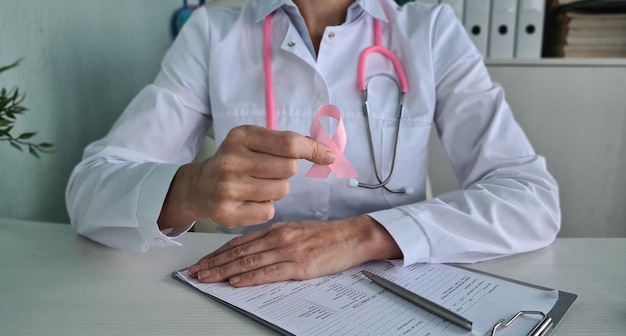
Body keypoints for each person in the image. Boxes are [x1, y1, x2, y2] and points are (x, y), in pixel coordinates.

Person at [66, 0, 560, 288]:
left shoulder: (429, 32)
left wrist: (366, 235)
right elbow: (90, 189)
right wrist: (190, 187)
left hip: (397, 293)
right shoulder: (212, 35)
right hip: (243, 292)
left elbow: (530, 199)